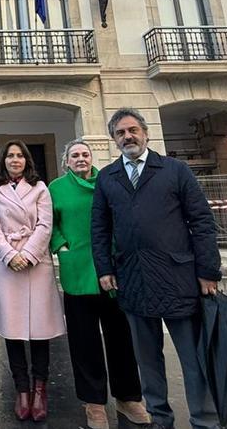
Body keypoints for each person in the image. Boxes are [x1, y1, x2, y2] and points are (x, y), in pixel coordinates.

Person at [91, 108, 222, 429]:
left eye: (133, 130)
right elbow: (100, 227)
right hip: (132, 278)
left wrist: (208, 270)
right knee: (148, 361)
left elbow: (202, 221)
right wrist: (104, 268)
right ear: (114, 140)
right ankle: (161, 419)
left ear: (145, 133)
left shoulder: (174, 170)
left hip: (178, 277)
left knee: (193, 359)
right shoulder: (108, 177)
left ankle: (204, 420)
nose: (128, 137)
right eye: (121, 133)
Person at [49, 139, 150, 429]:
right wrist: (61, 246)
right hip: (78, 270)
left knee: (121, 337)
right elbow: (50, 223)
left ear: (92, 158)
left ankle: (128, 397)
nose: (80, 159)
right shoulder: (56, 188)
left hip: (112, 271)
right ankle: (93, 403)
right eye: (74, 155)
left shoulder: (108, 182)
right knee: (84, 341)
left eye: (85, 154)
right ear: (66, 161)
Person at [0, 140, 66, 422]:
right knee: (14, 329)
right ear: (3, 161)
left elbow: (46, 224)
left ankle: (39, 388)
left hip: (35, 263)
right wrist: (9, 254)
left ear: (26, 160)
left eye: (19, 156)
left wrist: (29, 253)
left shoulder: (41, 188)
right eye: (10, 156)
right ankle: (21, 389)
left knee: (40, 329)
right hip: (7, 265)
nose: (15, 160)